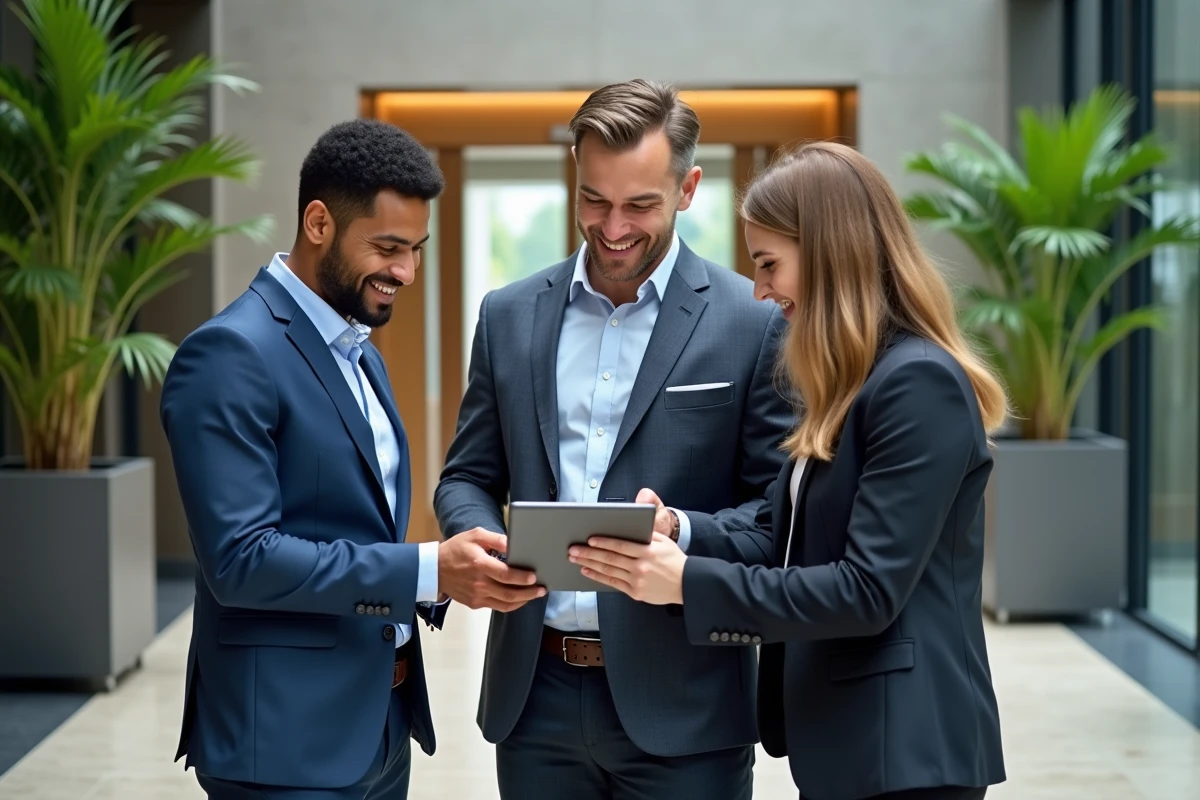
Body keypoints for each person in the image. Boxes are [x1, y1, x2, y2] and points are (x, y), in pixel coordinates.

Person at [571, 140, 1009, 800]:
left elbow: (866, 591)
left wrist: (687, 582)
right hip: (855, 747)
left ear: (832, 254)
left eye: (770, 263)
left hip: (909, 753)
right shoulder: (853, 384)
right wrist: (676, 531)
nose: (760, 289)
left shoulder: (918, 384)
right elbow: (783, 530)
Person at [160, 119, 543, 800]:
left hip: (379, 723)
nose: (406, 271)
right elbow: (241, 561)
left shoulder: (357, 348)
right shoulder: (229, 354)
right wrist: (428, 568)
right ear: (317, 223)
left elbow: (354, 523)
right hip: (283, 745)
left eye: (417, 249)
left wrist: (452, 571)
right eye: (389, 247)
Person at [433, 79, 791, 799]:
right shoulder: (507, 315)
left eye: (640, 205)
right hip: (534, 701)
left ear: (688, 188)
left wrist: (680, 531)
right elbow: (466, 475)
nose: (613, 225)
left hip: (687, 706)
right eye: (594, 200)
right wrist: (479, 539)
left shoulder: (753, 323)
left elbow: (777, 513)